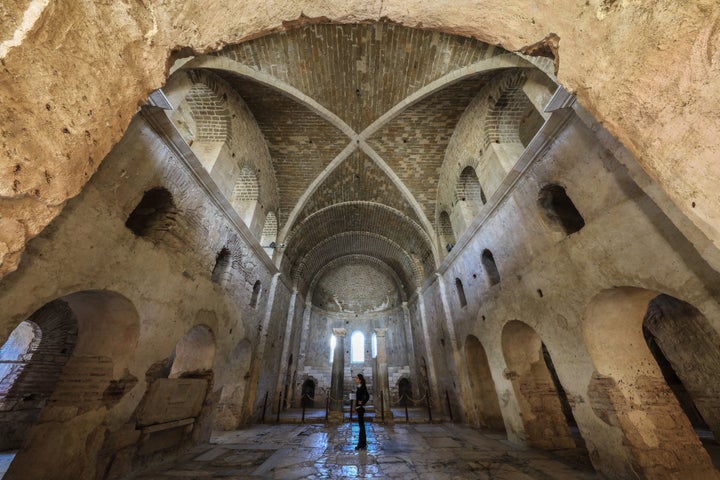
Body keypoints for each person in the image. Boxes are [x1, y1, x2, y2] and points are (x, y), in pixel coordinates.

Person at [354, 373, 370, 450]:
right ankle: (362, 444)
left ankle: (361, 444)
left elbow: (367, 396)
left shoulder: (362, 387)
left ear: (360, 380)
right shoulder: (359, 387)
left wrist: (362, 403)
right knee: (361, 426)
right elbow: (357, 399)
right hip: (359, 408)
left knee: (362, 426)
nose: (355, 379)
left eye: (357, 378)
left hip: (361, 408)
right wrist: (356, 408)